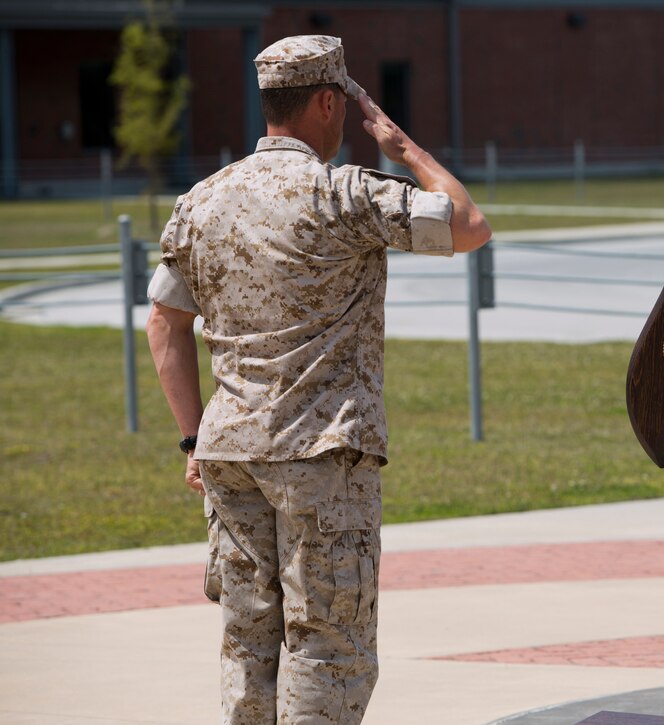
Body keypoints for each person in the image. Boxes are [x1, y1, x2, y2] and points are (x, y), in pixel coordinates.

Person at [145, 35, 490, 724]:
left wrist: (192, 440)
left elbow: (164, 322)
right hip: (321, 456)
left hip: (228, 455)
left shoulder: (200, 202)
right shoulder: (344, 193)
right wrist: (405, 149)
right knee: (328, 646)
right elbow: (469, 225)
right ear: (329, 101)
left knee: (249, 644)